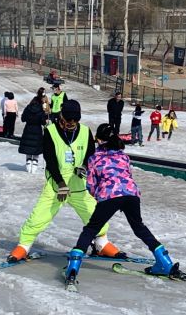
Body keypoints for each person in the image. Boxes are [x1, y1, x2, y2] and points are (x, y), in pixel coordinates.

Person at [7, 100, 125, 263]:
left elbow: (90, 152)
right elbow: (50, 159)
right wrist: (61, 184)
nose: (71, 123)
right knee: (39, 216)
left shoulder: (85, 131)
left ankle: (101, 243)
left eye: (75, 120)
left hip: (78, 186)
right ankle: (24, 245)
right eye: (68, 120)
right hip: (56, 187)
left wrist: (84, 166)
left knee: (94, 215)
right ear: (61, 116)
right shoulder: (50, 132)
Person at [64, 124, 178, 284]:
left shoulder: (94, 158)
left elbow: (90, 185)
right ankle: (165, 262)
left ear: (98, 139)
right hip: (131, 194)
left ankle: (74, 265)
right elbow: (126, 175)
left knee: (91, 229)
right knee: (139, 228)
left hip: (110, 194)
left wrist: (99, 197)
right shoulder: (124, 156)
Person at [18, 95, 48, 173]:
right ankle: (34, 163)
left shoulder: (28, 108)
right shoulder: (41, 109)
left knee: (28, 147)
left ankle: (28, 163)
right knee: (36, 148)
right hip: (37, 130)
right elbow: (43, 122)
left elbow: (23, 119)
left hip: (28, 129)